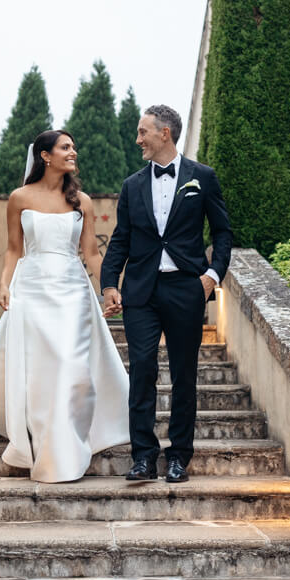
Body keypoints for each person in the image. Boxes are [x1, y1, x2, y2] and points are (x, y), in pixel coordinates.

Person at [0, 130, 130, 482]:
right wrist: (4, 283)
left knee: (70, 365)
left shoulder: (83, 202)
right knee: (41, 369)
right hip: (31, 288)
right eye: (66, 147)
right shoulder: (19, 198)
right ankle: (43, 439)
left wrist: (109, 288)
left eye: (73, 147)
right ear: (45, 156)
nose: (73, 152)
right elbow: (14, 249)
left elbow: (92, 253)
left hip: (72, 290)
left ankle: (63, 449)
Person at [99, 104, 233, 483]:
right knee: (141, 371)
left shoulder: (202, 178)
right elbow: (120, 240)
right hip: (141, 292)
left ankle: (179, 457)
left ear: (164, 134)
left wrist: (211, 275)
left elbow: (222, 233)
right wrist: (110, 284)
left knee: (183, 375)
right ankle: (143, 456)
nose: (138, 139)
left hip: (186, 289)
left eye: (143, 132)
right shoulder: (132, 185)